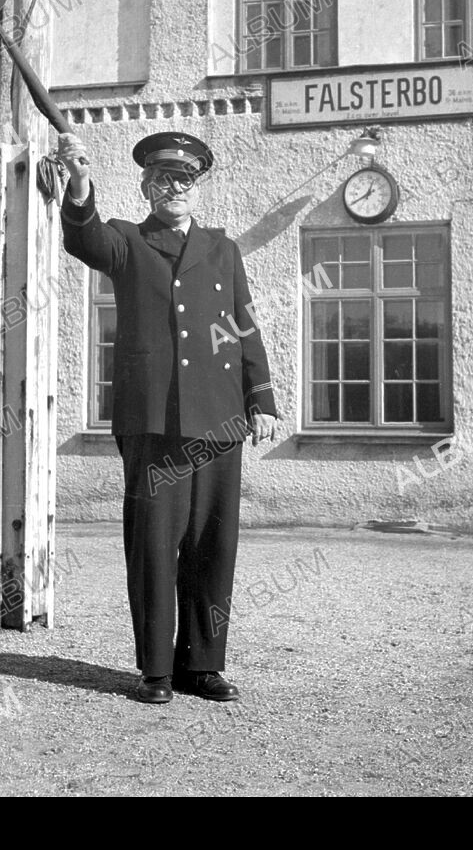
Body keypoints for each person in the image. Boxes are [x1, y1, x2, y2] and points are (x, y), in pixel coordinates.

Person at [57, 130, 278, 703]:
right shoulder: (127, 241)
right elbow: (84, 239)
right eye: (161, 180)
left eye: (183, 180)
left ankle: (202, 665)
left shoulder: (223, 249)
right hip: (151, 419)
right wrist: (80, 183)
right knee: (155, 545)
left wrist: (263, 398)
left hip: (220, 418)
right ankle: (155, 669)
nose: (173, 188)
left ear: (197, 189)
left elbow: (243, 325)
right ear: (146, 188)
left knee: (212, 544)